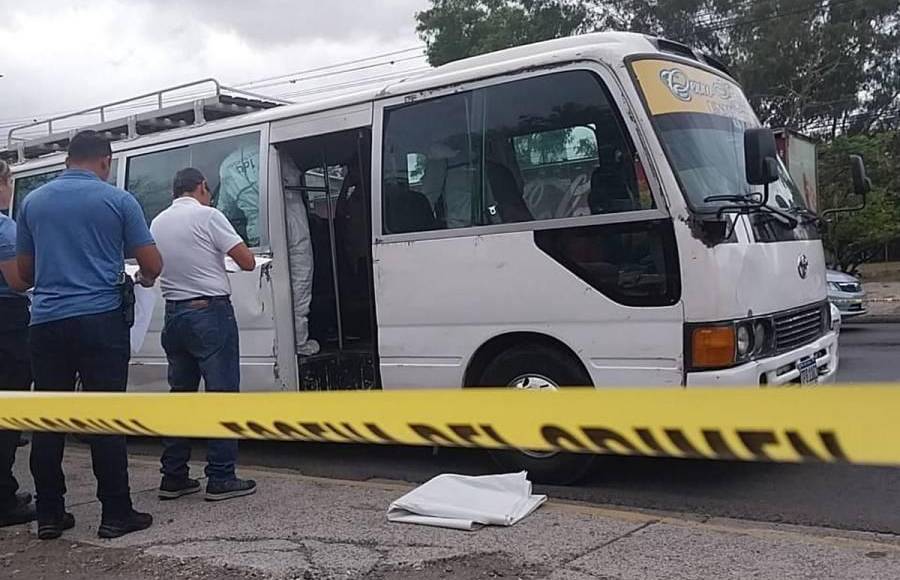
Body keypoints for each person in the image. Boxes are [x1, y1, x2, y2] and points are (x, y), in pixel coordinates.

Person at [16, 131, 163, 540]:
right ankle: (115, 513)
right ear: (105, 160)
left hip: (45, 323)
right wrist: (145, 277)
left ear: (67, 159)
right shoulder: (117, 200)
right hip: (100, 320)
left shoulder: (33, 202)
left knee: (48, 420)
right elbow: (152, 261)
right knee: (105, 418)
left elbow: (24, 274)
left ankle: (49, 515)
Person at [150, 168, 258, 502]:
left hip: (175, 315)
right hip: (209, 313)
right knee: (222, 394)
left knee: (180, 395)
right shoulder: (209, 216)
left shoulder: (157, 223)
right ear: (201, 188)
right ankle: (221, 476)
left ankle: (174, 476)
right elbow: (247, 261)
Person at [0, 159, 36, 528]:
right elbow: (17, 281)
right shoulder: (4, 229)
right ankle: (3, 497)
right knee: (8, 412)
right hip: (7, 322)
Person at [281, 157, 319, 356]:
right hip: (295, 233)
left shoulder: (230, 166)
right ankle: (299, 341)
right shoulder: (292, 204)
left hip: (270, 228)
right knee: (300, 287)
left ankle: (292, 338)